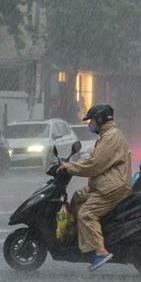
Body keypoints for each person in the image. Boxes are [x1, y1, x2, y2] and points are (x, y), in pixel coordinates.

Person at [58, 104, 132, 271]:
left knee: (86, 214)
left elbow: (95, 164)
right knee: (77, 196)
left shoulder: (111, 137)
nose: (90, 124)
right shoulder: (107, 136)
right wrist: (71, 163)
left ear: (100, 119)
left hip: (112, 187)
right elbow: (93, 159)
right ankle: (80, 237)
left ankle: (101, 251)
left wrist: (70, 167)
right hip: (104, 184)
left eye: (91, 120)